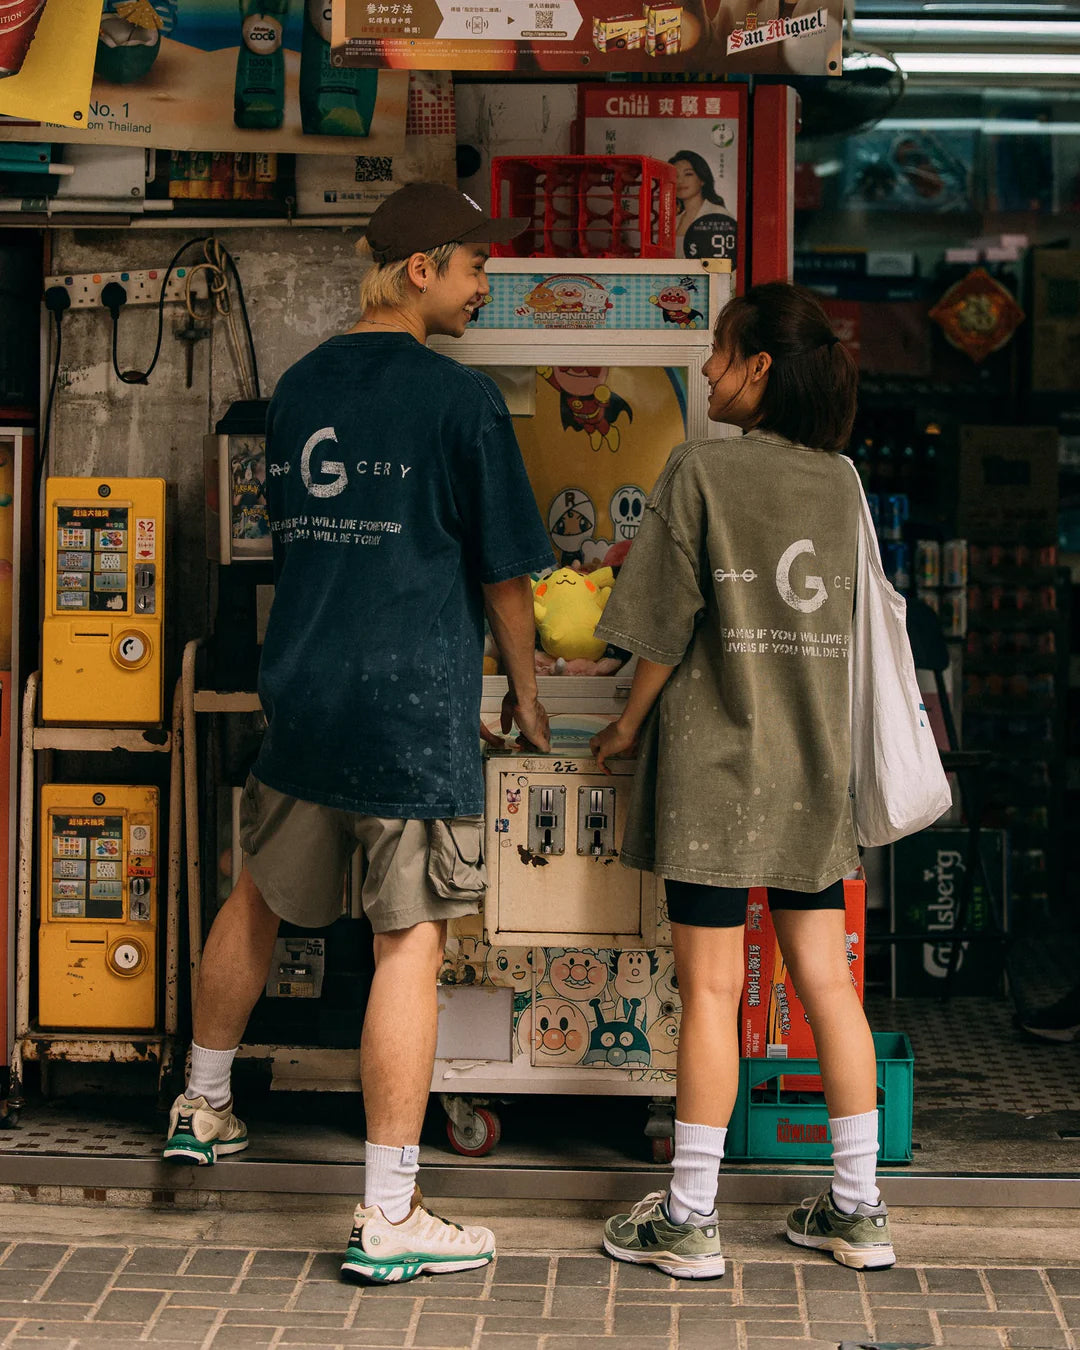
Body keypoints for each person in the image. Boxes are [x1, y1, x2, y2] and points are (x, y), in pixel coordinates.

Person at [162, 181, 555, 1284]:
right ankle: (389, 1214)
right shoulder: (458, 400)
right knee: (407, 941)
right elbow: (506, 575)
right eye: (477, 267)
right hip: (408, 707)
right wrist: (526, 691)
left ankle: (202, 1103)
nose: (486, 288)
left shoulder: (300, 385)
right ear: (422, 269)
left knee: (259, 893)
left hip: (305, 689)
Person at [590, 281, 895, 1276]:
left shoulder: (700, 474)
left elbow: (661, 627)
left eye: (721, 353)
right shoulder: (841, 484)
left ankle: (689, 1219)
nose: (711, 372)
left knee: (711, 992)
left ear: (761, 366)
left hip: (715, 776)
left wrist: (627, 726)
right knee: (828, 987)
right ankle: (857, 1209)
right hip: (812, 768)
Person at [669, 150, 737, 263]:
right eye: (675, 176)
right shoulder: (673, 221)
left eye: (688, 174)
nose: (680, 181)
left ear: (702, 179)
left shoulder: (718, 215)